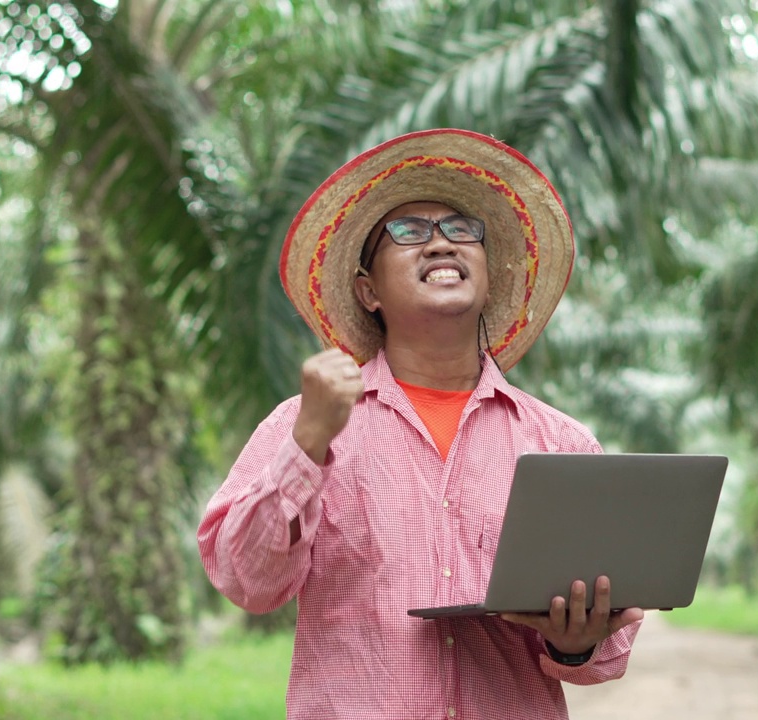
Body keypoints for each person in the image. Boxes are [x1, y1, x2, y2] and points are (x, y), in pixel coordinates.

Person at [198, 128, 642, 719]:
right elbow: (246, 581)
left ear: (489, 277)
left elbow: (607, 651)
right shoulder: (304, 423)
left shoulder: (559, 443)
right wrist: (308, 444)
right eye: (407, 233)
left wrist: (576, 639)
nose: (440, 245)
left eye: (462, 231)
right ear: (368, 290)